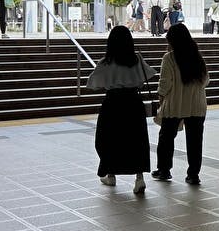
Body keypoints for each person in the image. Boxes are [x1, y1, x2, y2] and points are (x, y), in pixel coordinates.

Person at [86, 26, 156, 194]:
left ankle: (110, 174)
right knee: (136, 140)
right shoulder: (137, 59)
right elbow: (145, 78)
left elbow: (92, 83)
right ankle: (139, 178)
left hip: (113, 104)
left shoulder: (106, 62)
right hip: (133, 103)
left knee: (108, 140)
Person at [152, 23, 209, 185]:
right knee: (195, 141)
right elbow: (206, 81)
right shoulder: (197, 56)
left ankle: (164, 170)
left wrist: (160, 102)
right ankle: (193, 175)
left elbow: (164, 85)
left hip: (175, 105)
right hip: (197, 106)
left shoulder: (169, 58)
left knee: (166, 138)